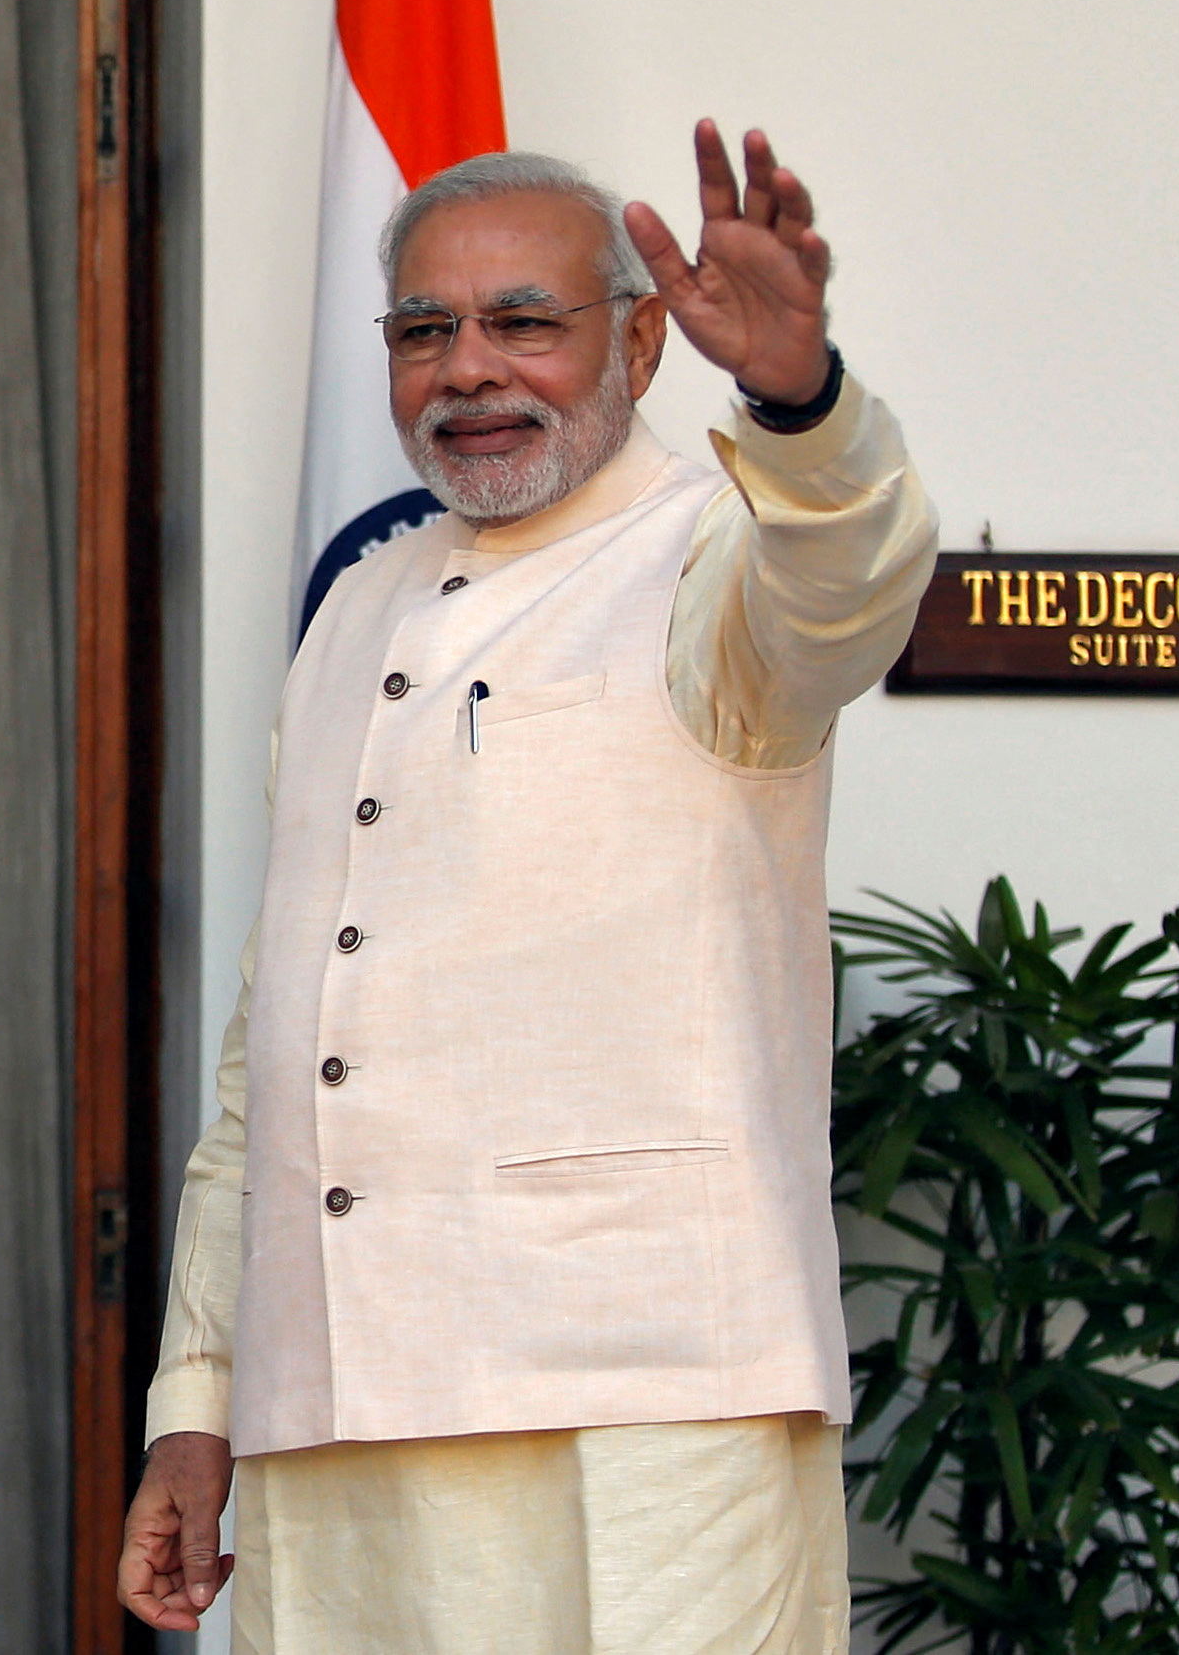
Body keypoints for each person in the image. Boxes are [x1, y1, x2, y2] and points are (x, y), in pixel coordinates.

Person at [121, 125, 937, 1653]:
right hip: (335, 1421)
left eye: (523, 321)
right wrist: (199, 1399)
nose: (469, 368)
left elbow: (853, 587)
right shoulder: (356, 603)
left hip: (644, 1412)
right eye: (424, 329)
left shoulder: (716, 551)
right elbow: (273, 1051)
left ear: (642, 339)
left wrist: (802, 405)